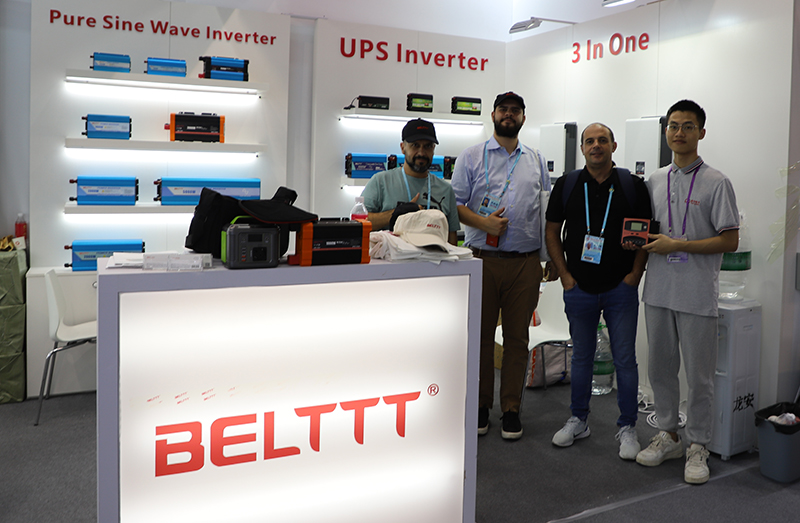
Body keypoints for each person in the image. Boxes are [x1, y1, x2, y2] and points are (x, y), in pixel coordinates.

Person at [636, 100, 739, 484]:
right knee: (660, 369)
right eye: (674, 126)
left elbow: (730, 240)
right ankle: (669, 434)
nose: (679, 133)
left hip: (696, 295)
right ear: (666, 132)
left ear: (701, 132)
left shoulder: (717, 182)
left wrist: (678, 245)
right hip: (658, 291)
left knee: (699, 377)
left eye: (688, 126)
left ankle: (698, 445)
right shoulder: (654, 180)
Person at [545, 123, 651, 459]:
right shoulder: (568, 184)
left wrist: (634, 275)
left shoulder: (632, 185)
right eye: (589, 141)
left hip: (620, 288)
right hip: (579, 287)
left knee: (625, 360)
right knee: (581, 357)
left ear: (613, 146)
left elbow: (645, 234)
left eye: (602, 140)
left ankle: (628, 426)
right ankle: (578, 420)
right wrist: (564, 275)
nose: (596, 146)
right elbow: (551, 231)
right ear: (582, 148)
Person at [451, 91, 550, 440]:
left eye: (515, 110)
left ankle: (511, 409)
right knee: (479, 337)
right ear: (493, 115)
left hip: (524, 263)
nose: (509, 114)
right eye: (503, 110)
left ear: (523, 117)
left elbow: (544, 211)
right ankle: (480, 406)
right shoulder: (471, 156)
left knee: (517, 339)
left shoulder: (536, 159)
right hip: (482, 260)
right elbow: (454, 204)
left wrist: (547, 259)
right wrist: (483, 223)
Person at [361, 118, 459, 244]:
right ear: (403, 148)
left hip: (434, 255)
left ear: (433, 149)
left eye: (428, 146)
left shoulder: (445, 189)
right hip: (391, 255)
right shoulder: (381, 181)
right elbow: (360, 222)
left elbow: (451, 238)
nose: (421, 152)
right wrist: (395, 214)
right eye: (415, 145)